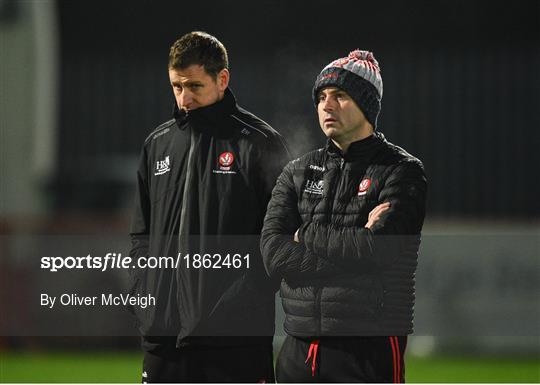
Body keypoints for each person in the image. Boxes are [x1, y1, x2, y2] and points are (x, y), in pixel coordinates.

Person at [128, 31, 289, 383]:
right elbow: (142, 235)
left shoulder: (259, 143)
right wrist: (144, 294)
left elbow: (280, 240)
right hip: (163, 338)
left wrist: (238, 303)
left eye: (194, 86)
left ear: (222, 80)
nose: (184, 99)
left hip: (233, 343)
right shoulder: (157, 144)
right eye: (176, 86)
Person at [261, 50, 427, 383]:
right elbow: (272, 256)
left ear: (367, 105)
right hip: (297, 348)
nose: (327, 105)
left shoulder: (402, 171)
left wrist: (304, 234)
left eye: (340, 96)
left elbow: (377, 251)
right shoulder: (297, 171)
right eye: (321, 97)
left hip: (368, 349)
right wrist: (353, 243)